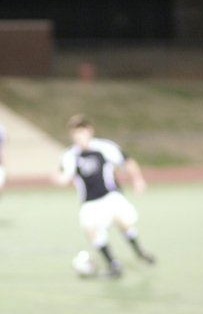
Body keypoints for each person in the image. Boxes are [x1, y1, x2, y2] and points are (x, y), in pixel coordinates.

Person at [55, 114, 155, 277]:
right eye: (76, 132)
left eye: (83, 130)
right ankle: (113, 265)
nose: (80, 135)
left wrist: (138, 180)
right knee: (91, 229)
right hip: (89, 202)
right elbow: (65, 175)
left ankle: (139, 252)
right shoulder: (69, 156)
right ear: (72, 135)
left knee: (122, 221)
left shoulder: (105, 147)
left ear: (90, 131)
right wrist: (60, 180)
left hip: (111, 196)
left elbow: (127, 162)